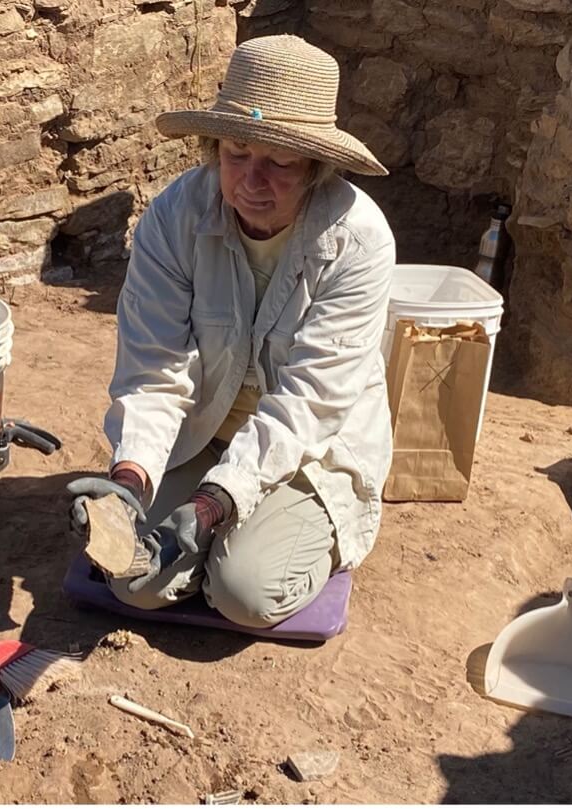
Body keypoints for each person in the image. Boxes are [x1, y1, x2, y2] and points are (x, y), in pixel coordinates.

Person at [66, 34, 397, 628]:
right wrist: (131, 480)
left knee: (245, 593)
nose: (252, 179)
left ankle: (275, 538)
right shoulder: (175, 219)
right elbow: (154, 367)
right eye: (237, 152)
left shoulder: (358, 242)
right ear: (212, 145)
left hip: (308, 451)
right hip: (206, 427)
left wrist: (214, 502)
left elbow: (308, 404)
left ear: (317, 168)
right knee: (135, 577)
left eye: (281, 161)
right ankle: (206, 536)